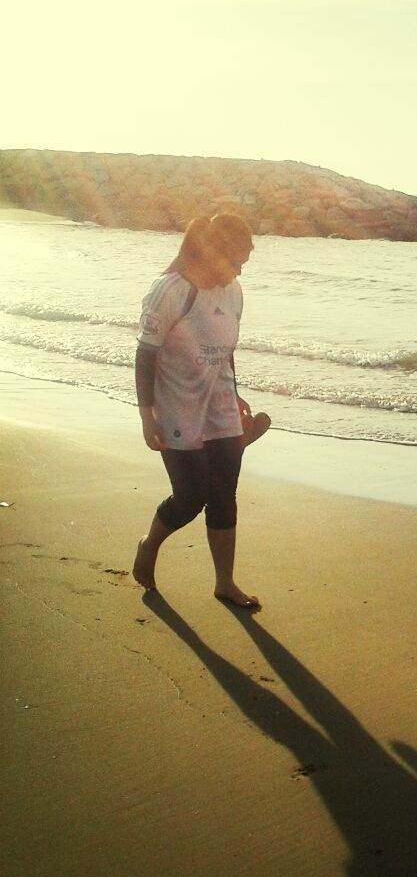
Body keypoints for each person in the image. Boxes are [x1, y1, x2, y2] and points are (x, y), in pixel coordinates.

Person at [132, 213, 269, 606]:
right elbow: (145, 354)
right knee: (190, 498)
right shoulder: (171, 290)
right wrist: (147, 414)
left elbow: (225, 351)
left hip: (220, 406)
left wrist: (236, 396)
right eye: (237, 259)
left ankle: (224, 583)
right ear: (213, 253)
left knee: (224, 495)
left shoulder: (234, 293)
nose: (241, 268)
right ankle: (149, 543)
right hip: (177, 406)